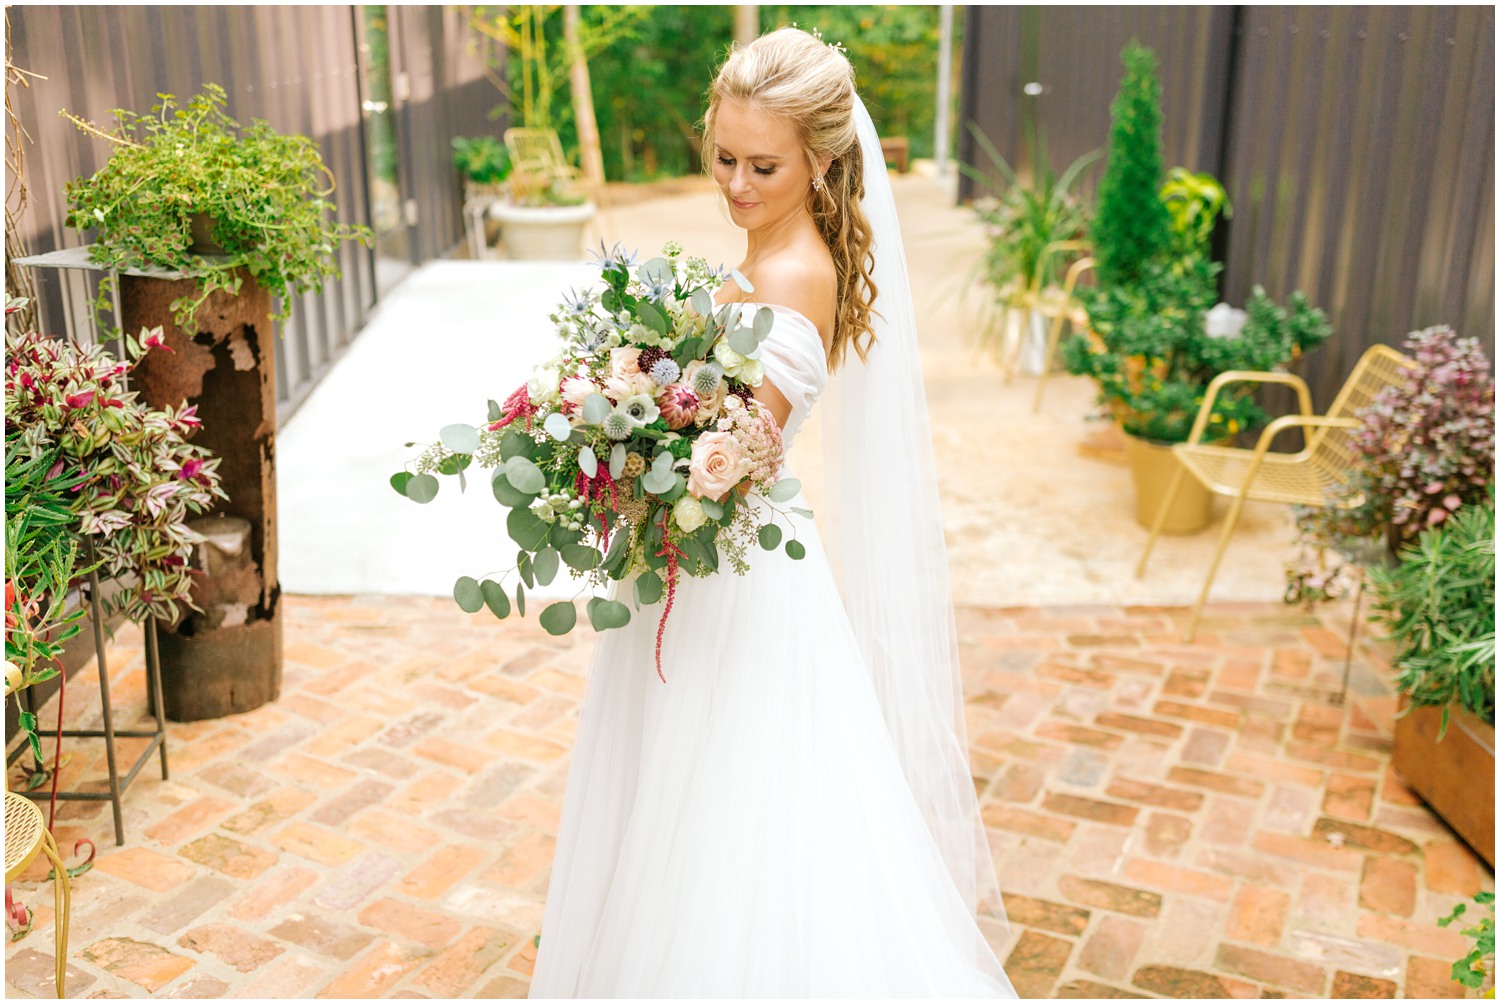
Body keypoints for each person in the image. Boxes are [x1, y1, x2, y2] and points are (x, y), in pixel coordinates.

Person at [529, 27, 1015, 997]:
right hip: (705, 561)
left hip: (736, 575)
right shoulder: (773, 249)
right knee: (695, 789)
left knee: (728, 796)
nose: (737, 184)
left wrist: (626, 447)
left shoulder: (793, 274)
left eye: (763, 165)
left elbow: (734, 459)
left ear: (822, 160)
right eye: (723, 157)